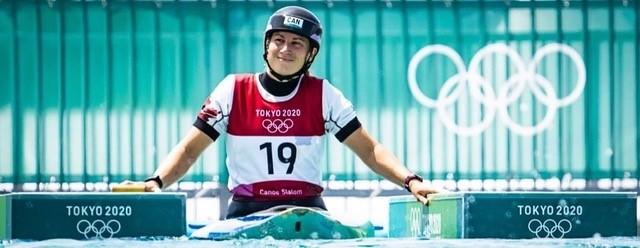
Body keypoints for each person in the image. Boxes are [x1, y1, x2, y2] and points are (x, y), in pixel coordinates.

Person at [135, 6, 440, 219]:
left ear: (310, 54)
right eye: (278, 40)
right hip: (246, 212)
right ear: (266, 46)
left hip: (308, 212)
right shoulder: (232, 90)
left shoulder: (324, 94)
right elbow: (189, 150)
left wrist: (411, 180)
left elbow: (370, 150)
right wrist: (156, 182)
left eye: (296, 43)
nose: (285, 49)